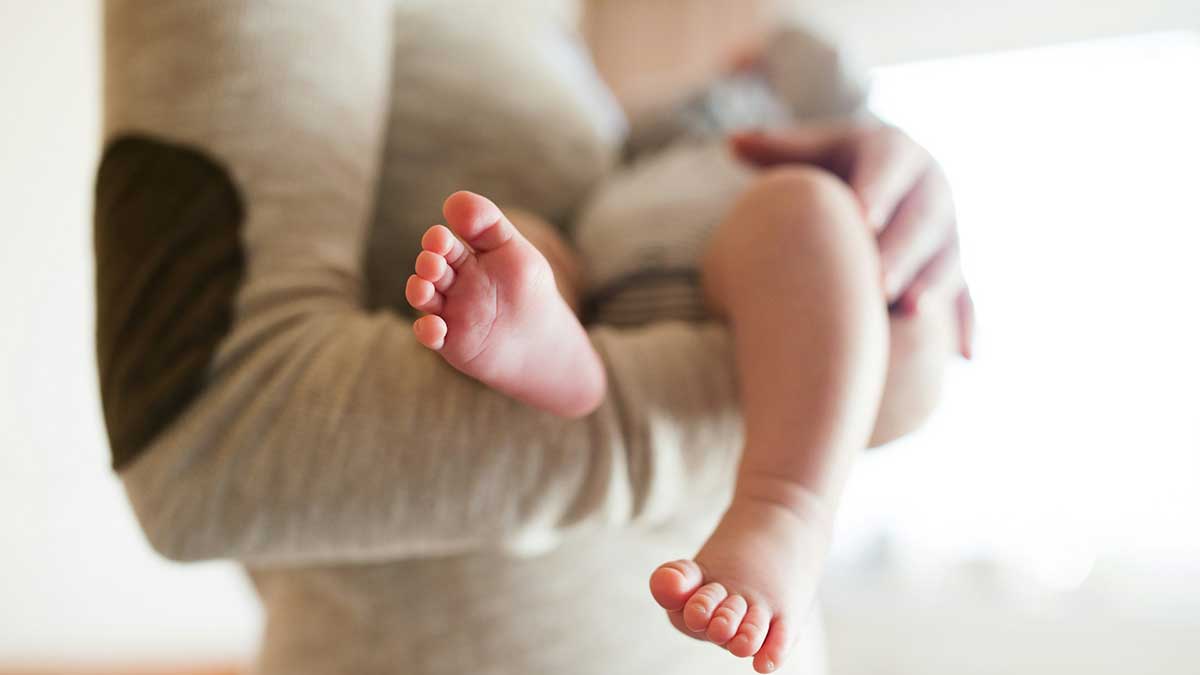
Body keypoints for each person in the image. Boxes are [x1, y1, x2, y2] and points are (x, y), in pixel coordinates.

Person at [95, 1, 969, 674]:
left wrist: (892, 191)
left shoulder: (549, 28)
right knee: (526, 246)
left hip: (686, 247)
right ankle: (764, 493)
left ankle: (567, 352)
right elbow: (203, 442)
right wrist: (863, 365)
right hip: (640, 254)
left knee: (771, 219)